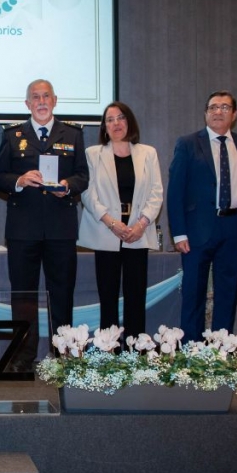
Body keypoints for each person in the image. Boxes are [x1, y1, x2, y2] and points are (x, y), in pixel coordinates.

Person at [0, 79, 88, 370]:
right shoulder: (13, 135)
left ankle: (63, 356)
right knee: (22, 295)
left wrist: (67, 184)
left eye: (45, 96)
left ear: (55, 100)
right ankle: (23, 357)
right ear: (27, 104)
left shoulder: (72, 134)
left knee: (62, 294)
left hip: (61, 230)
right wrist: (19, 181)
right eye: (35, 97)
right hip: (23, 230)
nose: (41, 101)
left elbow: (83, 176)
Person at [167, 91, 237, 343]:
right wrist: (179, 232)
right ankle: (191, 350)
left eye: (225, 107)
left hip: (234, 227)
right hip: (197, 230)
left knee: (227, 292)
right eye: (213, 107)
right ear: (205, 113)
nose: (218, 112)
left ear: (234, 115)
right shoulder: (187, 143)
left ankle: (221, 351)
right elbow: (176, 191)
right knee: (193, 293)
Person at [78, 102, 163, 341]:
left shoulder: (148, 153)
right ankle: (109, 351)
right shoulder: (93, 154)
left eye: (121, 118)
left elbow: (156, 192)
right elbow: (88, 193)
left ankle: (136, 351)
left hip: (138, 231)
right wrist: (111, 222)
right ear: (104, 127)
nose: (116, 123)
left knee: (136, 295)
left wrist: (141, 224)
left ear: (129, 122)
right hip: (106, 232)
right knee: (108, 295)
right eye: (110, 120)